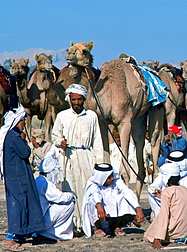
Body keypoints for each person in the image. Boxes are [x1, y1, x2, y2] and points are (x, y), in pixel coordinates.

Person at [51, 83, 105, 233]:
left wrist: (99, 163)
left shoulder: (91, 116)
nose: (76, 103)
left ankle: (94, 224)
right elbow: (55, 135)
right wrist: (59, 142)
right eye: (73, 99)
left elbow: (97, 141)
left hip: (86, 156)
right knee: (71, 191)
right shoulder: (62, 116)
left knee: (88, 191)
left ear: (84, 99)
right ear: (69, 99)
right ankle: (74, 225)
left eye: (79, 99)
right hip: (69, 157)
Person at [0, 106, 45, 251]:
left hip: (19, 176)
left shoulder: (12, 136)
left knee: (24, 203)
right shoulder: (15, 137)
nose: (24, 123)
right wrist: (25, 140)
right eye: (23, 121)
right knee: (18, 204)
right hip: (18, 177)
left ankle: (22, 234)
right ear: (18, 121)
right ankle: (12, 237)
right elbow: (25, 152)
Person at [82, 163, 145, 238]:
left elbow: (126, 191)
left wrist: (137, 207)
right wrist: (99, 205)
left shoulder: (116, 181)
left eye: (112, 175)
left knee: (123, 198)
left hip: (113, 215)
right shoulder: (93, 183)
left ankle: (116, 226)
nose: (112, 178)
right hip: (101, 212)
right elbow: (95, 193)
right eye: (109, 177)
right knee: (92, 200)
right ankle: (98, 228)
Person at [144, 162, 187, 249]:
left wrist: (157, 239)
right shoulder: (185, 189)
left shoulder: (167, 192)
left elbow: (164, 215)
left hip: (176, 228)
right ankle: (182, 236)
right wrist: (163, 197)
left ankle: (175, 239)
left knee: (148, 235)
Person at [149, 150, 187, 220]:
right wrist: (162, 196)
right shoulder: (163, 175)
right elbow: (152, 187)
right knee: (152, 198)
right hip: (165, 202)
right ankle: (159, 220)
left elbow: (184, 197)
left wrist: (166, 197)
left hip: (180, 206)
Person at [35, 156, 75, 241]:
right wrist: (71, 195)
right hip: (41, 222)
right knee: (69, 204)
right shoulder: (45, 183)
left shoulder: (37, 180)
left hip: (35, 220)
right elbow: (60, 198)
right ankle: (56, 233)